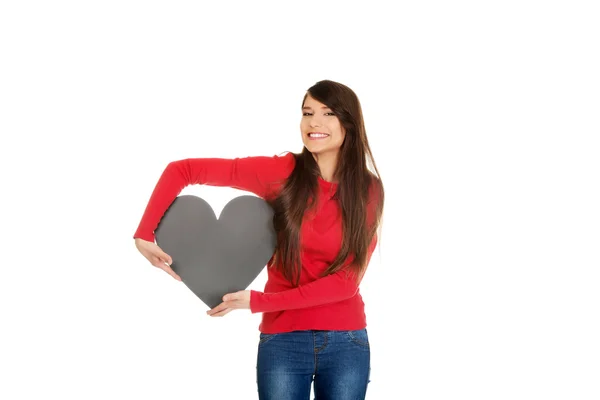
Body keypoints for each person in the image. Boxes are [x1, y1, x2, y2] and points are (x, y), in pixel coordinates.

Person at [133, 79, 385, 399]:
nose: (314, 123)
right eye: (307, 113)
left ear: (349, 123)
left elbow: (345, 283)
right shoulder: (281, 173)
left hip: (347, 342)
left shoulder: (369, 190)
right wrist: (144, 233)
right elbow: (183, 170)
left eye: (328, 113)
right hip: (283, 341)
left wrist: (258, 302)